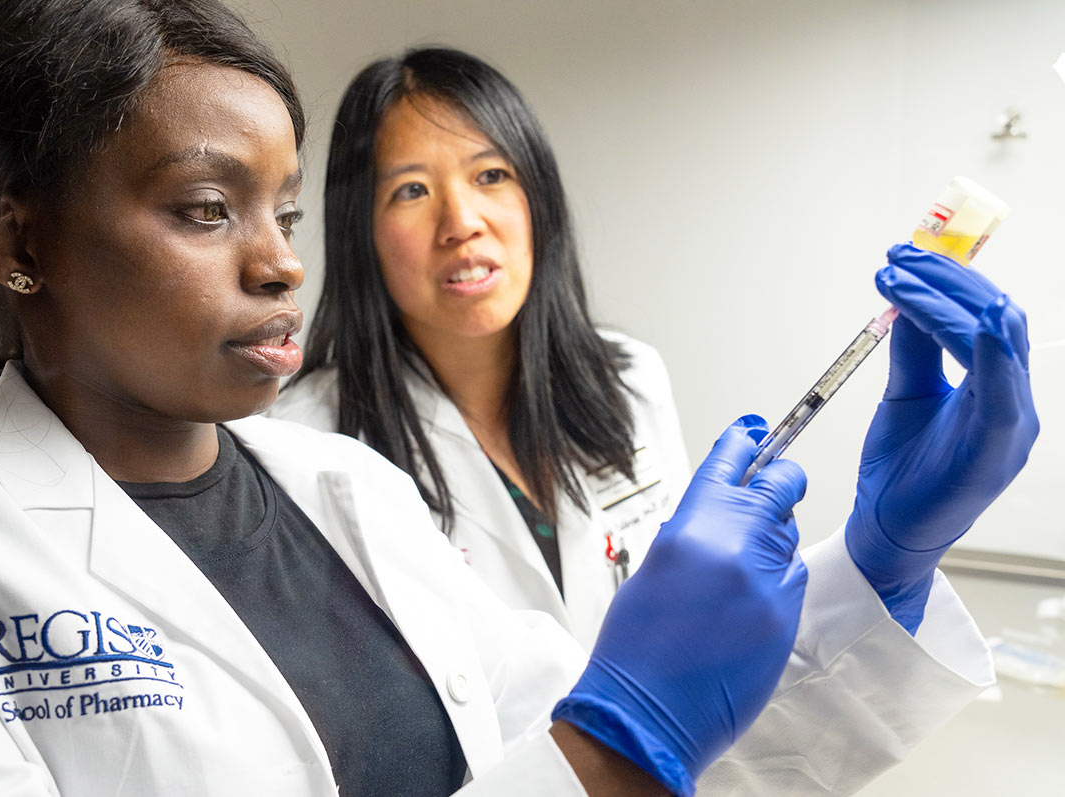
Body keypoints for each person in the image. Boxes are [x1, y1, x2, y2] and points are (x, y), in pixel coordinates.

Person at [0, 2, 824, 796]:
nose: (283, 263)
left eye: (282, 213)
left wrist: (887, 559)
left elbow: (659, 739)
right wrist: (618, 742)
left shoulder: (351, 489)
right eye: (207, 208)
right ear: (17, 244)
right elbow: (607, 751)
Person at [270, 46, 1039, 792]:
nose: (461, 219)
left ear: (537, 196)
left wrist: (884, 566)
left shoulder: (628, 380)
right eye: (410, 189)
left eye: (492, 174)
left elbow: (698, 696)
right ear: (358, 228)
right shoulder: (303, 448)